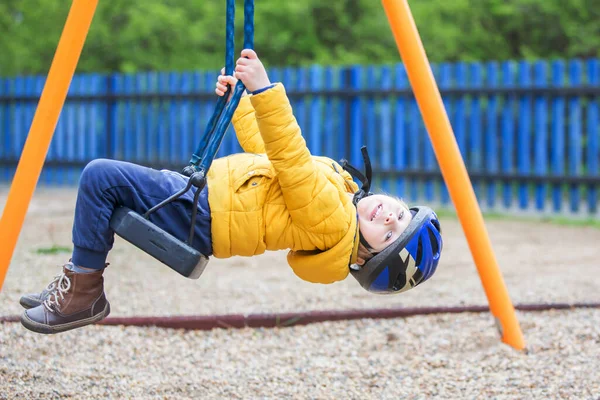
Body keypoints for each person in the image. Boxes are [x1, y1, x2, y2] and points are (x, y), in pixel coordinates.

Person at [19, 49, 443, 335]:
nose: (390, 218)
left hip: (205, 215)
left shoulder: (333, 220)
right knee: (107, 185)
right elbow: (268, 153)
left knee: (100, 178)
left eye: (390, 236)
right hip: (207, 206)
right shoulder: (338, 192)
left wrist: (263, 91)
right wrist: (238, 104)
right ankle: (79, 281)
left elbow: (291, 159)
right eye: (401, 216)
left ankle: (83, 292)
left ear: (364, 257)